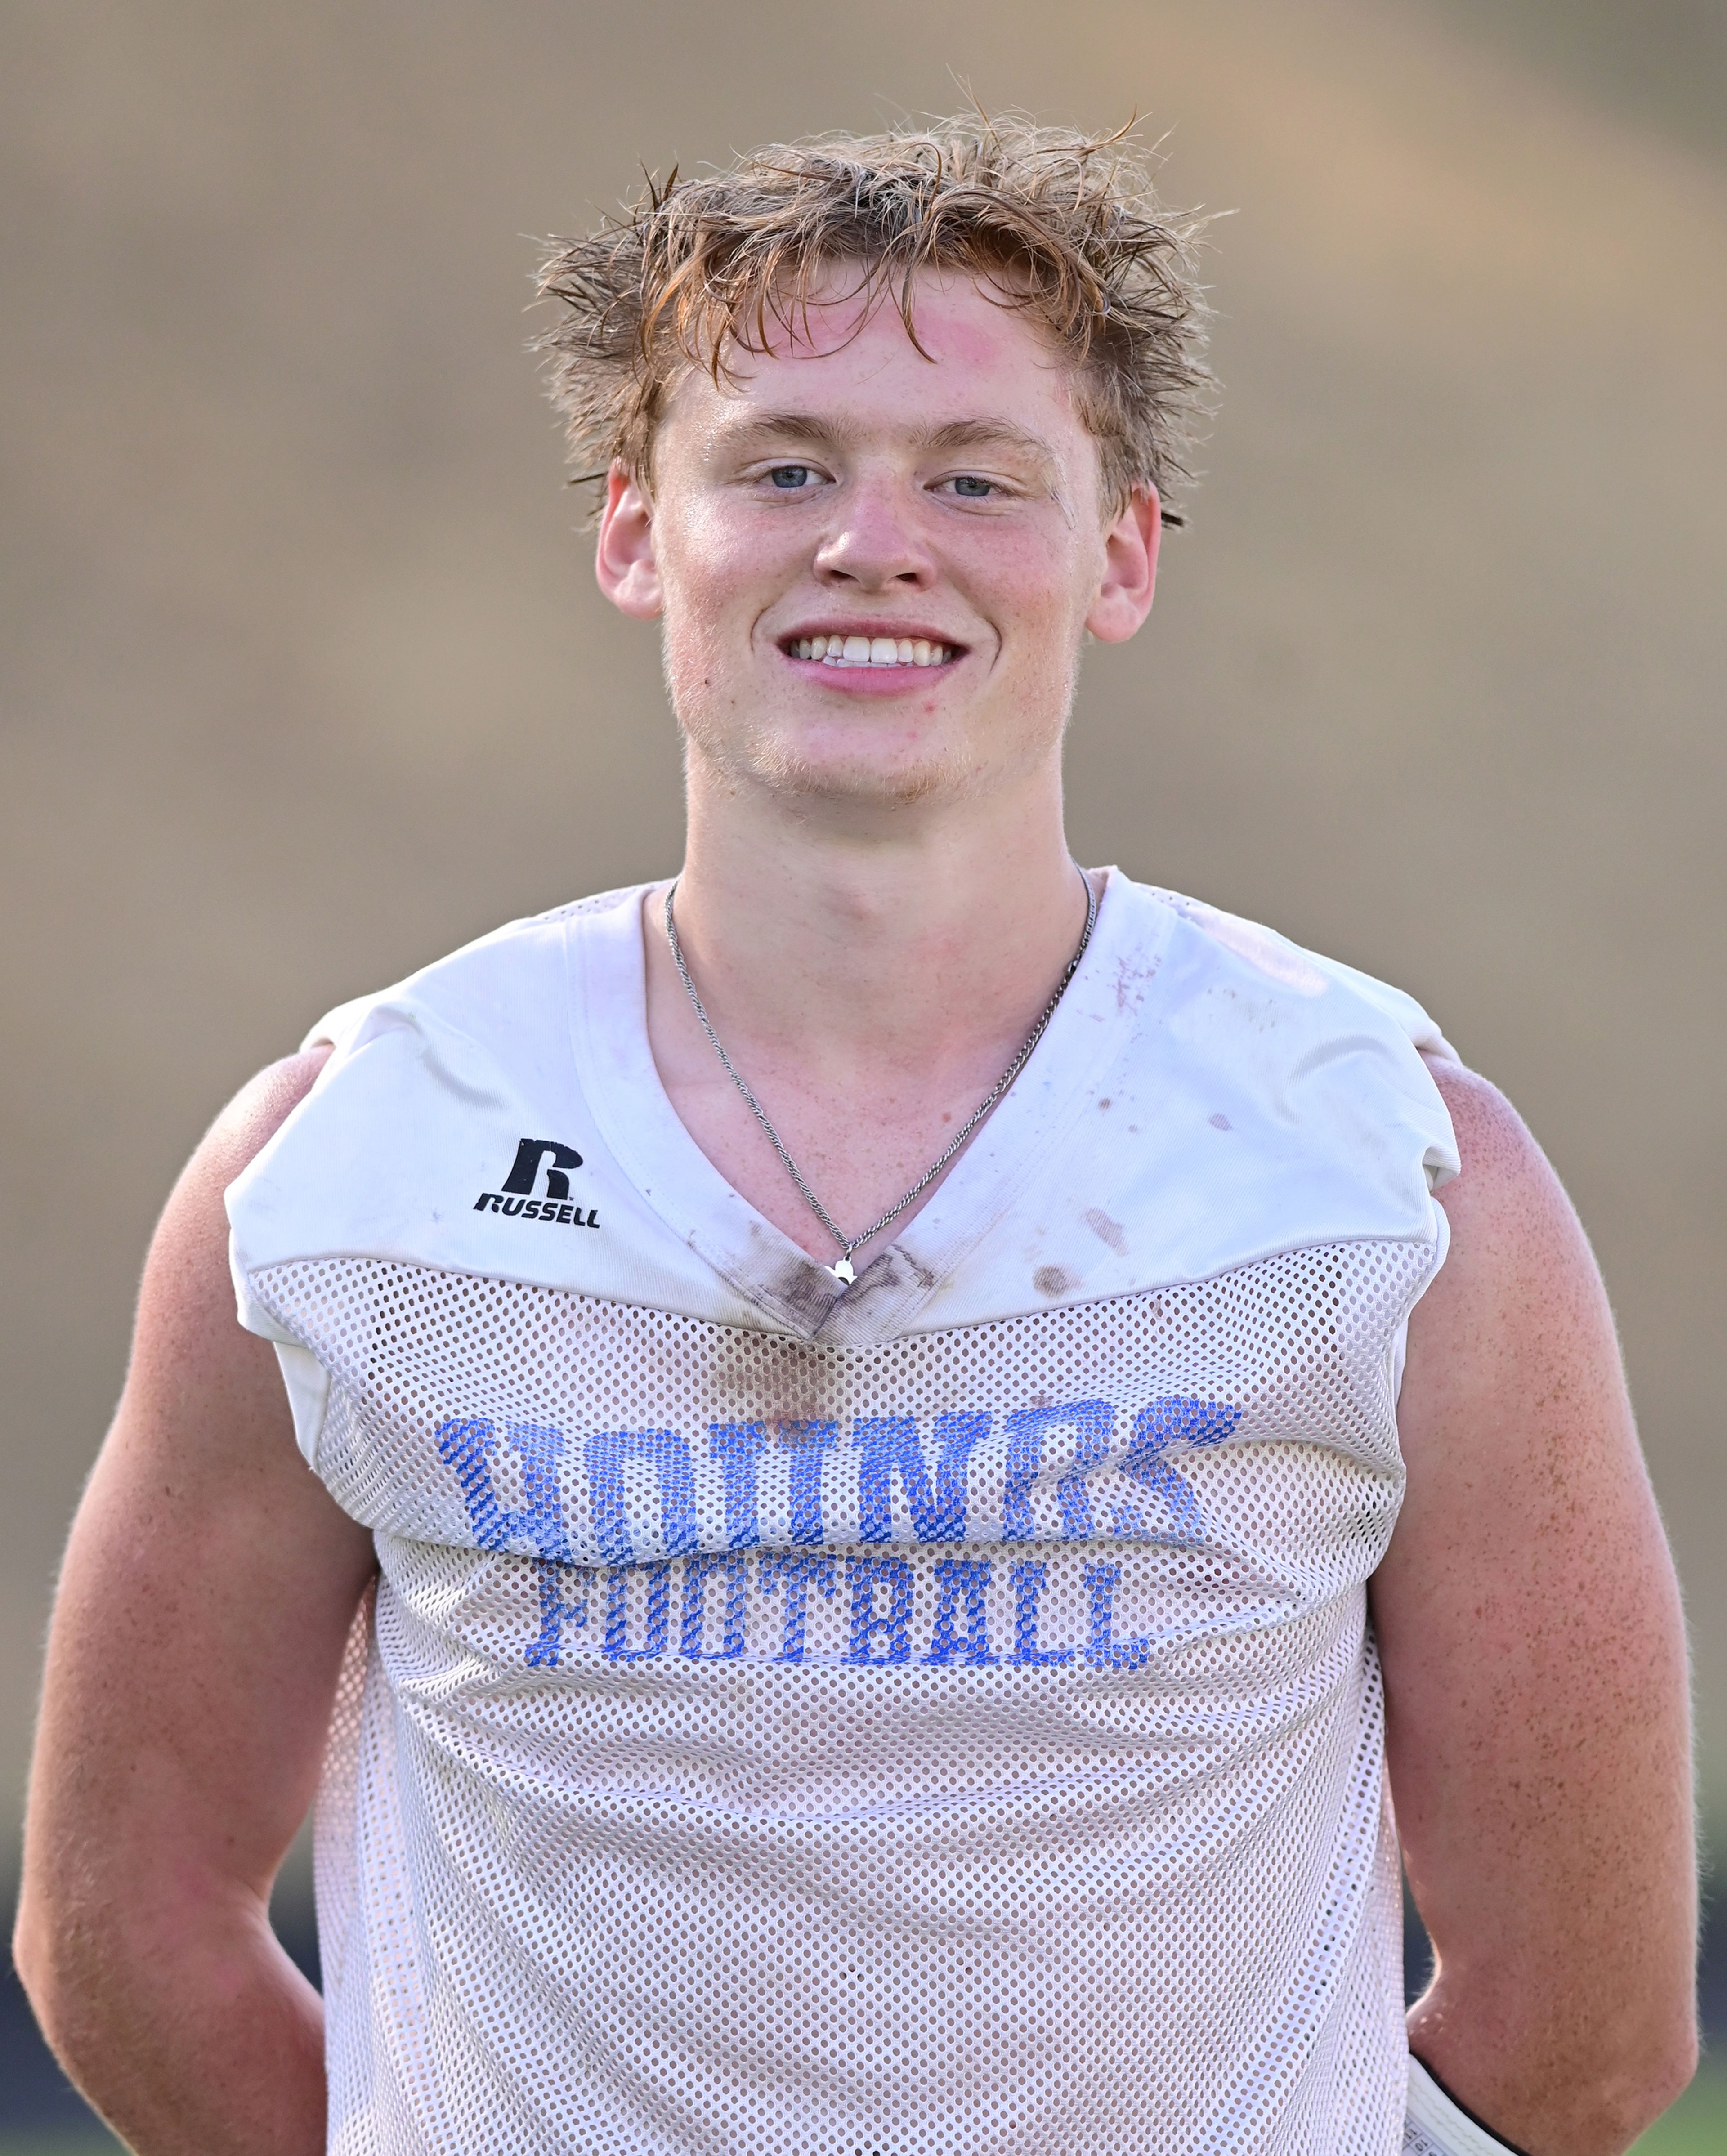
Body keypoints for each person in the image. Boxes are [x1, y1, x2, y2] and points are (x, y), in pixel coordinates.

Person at [14, 119, 1697, 2156]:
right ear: (643, 532)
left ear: (1123, 551)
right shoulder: (350, 1167)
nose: (873, 539)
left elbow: (1583, 2031)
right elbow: (124, 1922)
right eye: (786, 461)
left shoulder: (1385, 1175)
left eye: (978, 476)